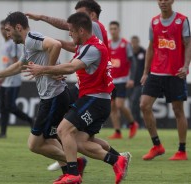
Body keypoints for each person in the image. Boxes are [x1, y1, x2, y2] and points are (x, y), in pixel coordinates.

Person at [0, 12, 87, 183]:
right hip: (51, 99)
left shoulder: (31, 39)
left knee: (34, 144)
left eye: (8, 30)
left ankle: (75, 164)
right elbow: (18, 66)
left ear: (18, 27)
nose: (7, 34)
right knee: (48, 139)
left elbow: (56, 45)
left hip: (55, 98)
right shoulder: (27, 45)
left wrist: (49, 70)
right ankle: (70, 171)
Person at [24, 12, 129, 184]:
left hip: (94, 99)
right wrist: (44, 19)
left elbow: (71, 67)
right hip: (96, 99)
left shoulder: (93, 48)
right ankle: (117, 160)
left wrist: (43, 69)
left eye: (71, 30)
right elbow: (70, 61)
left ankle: (73, 174)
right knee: (80, 141)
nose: (69, 33)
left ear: (81, 30)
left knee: (63, 130)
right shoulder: (87, 45)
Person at [140, 0, 191, 161]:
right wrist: (145, 72)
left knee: (178, 111)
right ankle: (157, 145)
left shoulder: (182, 20)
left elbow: (188, 44)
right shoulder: (154, 21)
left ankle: (182, 150)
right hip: (155, 72)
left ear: (172, 1)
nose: (162, 2)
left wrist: (185, 66)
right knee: (144, 105)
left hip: (175, 73)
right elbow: (150, 47)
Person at [0, 19, 33, 138]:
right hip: (5, 79)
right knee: (3, 107)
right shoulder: (3, 42)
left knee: (10, 106)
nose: (3, 32)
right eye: (1, 29)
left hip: (13, 80)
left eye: (5, 29)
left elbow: (16, 63)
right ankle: (3, 132)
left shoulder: (12, 43)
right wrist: (2, 77)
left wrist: (2, 77)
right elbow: (6, 62)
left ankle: (30, 120)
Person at [108, 21, 139, 139]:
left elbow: (133, 62)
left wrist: (131, 79)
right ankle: (117, 131)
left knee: (120, 105)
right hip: (111, 80)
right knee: (112, 107)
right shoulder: (108, 44)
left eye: (115, 29)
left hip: (122, 80)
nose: (113, 31)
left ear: (119, 30)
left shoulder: (126, 44)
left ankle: (132, 123)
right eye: (111, 29)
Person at [129, 35, 146, 128]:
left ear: (138, 42)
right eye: (133, 42)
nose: (134, 44)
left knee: (135, 101)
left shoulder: (143, 52)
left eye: (135, 42)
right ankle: (133, 123)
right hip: (130, 83)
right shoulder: (130, 54)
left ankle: (137, 122)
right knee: (133, 103)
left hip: (141, 83)